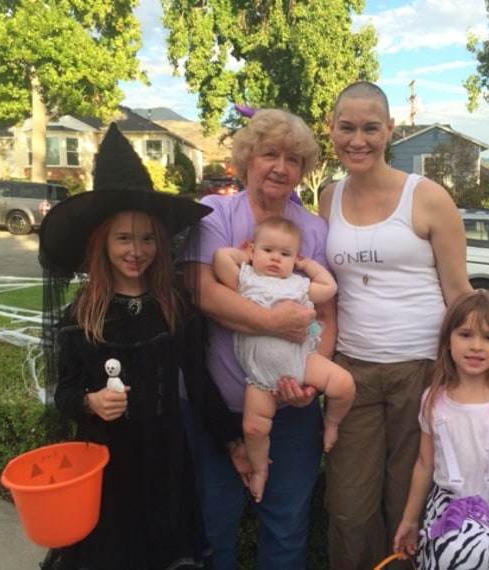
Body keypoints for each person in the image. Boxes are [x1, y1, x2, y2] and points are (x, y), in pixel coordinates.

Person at [319, 81, 489, 569]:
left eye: (371, 128)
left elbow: (461, 294)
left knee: (407, 499)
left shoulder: (428, 198)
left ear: (390, 131)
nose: (358, 140)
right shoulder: (327, 197)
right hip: (351, 372)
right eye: (347, 127)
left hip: (422, 372)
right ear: (331, 129)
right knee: (349, 507)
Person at [38, 123, 243, 569]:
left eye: (148, 238)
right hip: (105, 471)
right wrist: (90, 402)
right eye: (124, 238)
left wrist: (232, 438)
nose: (138, 250)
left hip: (166, 463)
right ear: (102, 243)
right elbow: (64, 395)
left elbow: (199, 379)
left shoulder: (174, 305)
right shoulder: (83, 315)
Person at [182, 108, 332, 569]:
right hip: (217, 413)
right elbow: (202, 291)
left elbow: (328, 313)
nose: (281, 167)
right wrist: (274, 323)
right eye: (270, 153)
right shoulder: (215, 215)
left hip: (290, 413)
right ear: (248, 157)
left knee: (286, 532)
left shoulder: (313, 229)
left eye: (293, 159)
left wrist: (310, 382)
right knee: (212, 530)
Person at [393, 290, 489, 568]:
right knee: (456, 552)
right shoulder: (433, 399)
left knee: (477, 551)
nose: (476, 346)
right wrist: (410, 519)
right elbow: (425, 463)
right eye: (465, 335)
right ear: (447, 341)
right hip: (444, 510)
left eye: (488, 337)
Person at [213, 216, 355, 502]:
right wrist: (243, 256)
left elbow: (329, 288)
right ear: (253, 251)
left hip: (301, 362)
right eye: (268, 251)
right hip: (260, 377)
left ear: (295, 258)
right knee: (254, 428)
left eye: (286, 254)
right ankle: (259, 470)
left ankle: (332, 423)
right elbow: (219, 259)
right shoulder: (246, 279)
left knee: (344, 383)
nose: (276, 258)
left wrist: (308, 266)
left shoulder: (299, 284)